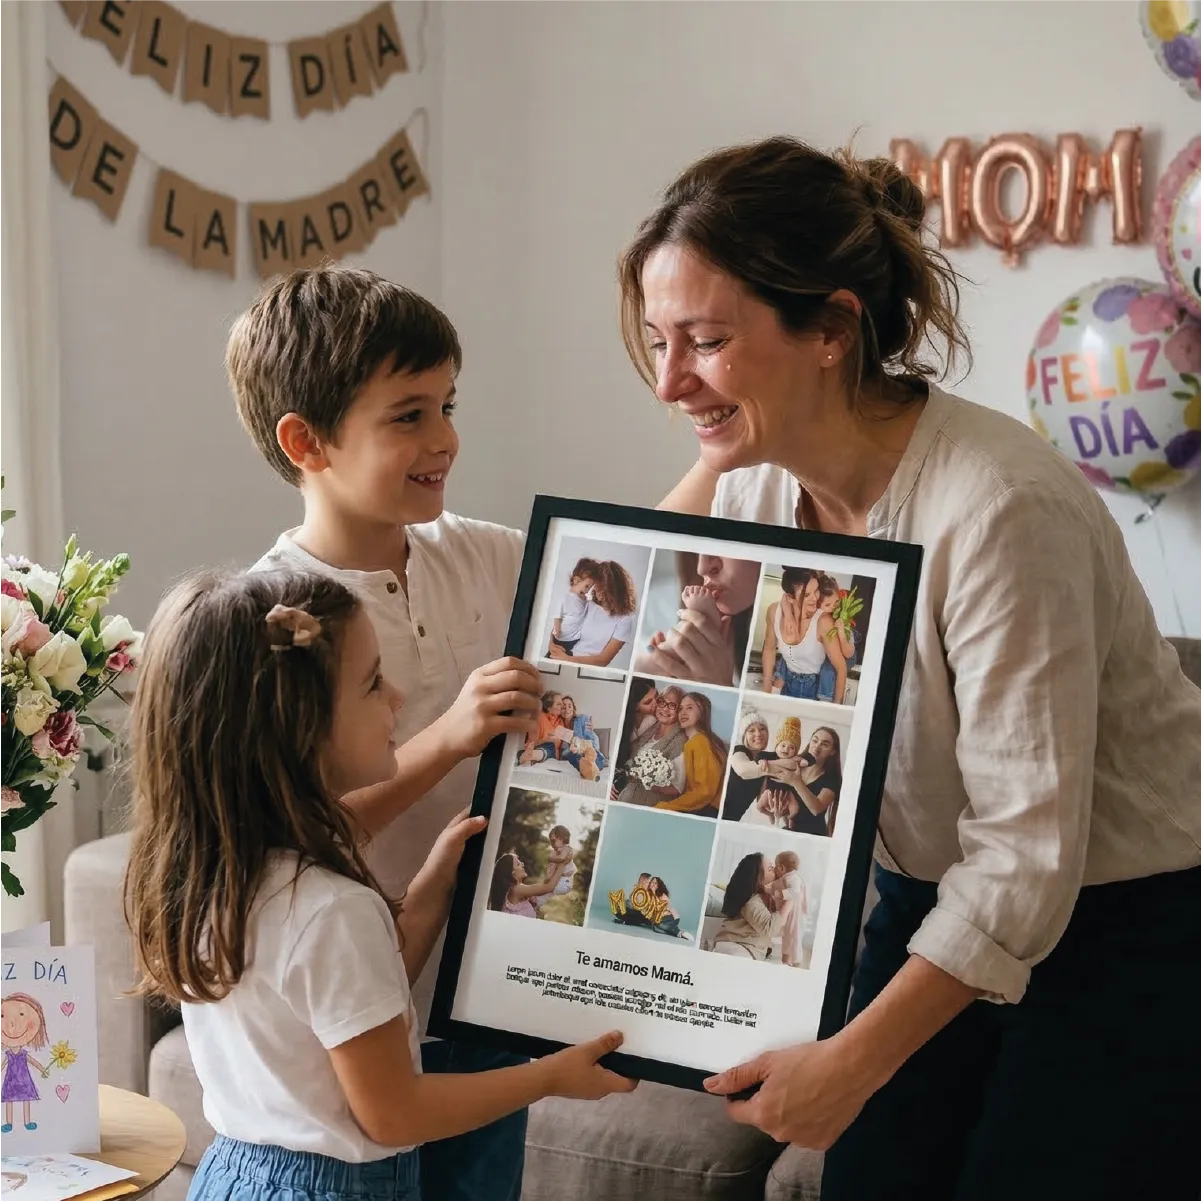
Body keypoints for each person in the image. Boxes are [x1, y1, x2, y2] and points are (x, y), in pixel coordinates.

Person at [624, 135, 1201, 1199]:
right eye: (658, 341)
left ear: (832, 329)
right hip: (926, 889)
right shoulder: (751, 485)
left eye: (703, 340)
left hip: (1129, 918)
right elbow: (652, 635)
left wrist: (850, 1062)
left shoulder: (995, 508)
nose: (670, 381)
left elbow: (1025, 856)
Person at [122, 570, 635, 1201]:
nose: (396, 696)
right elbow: (394, 1112)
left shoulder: (211, 872)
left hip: (233, 1176)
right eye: (371, 683)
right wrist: (552, 1075)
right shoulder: (331, 908)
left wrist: (433, 886)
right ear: (298, 728)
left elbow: (353, 1013)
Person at [229, 265, 545, 1201]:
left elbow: (633, 556)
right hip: (359, 1014)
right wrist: (447, 739)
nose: (445, 438)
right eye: (407, 415)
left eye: (448, 405)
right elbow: (290, 842)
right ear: (306, 440)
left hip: (488, 981)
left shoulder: (485, 554)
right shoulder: (269, 621)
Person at [635, 553, 761, 685]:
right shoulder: (658, 604)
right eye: (697, 551)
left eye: (722, 541)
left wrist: (720, 685)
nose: (701, 569)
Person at [546, 560, 638, 667]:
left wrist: (567, 659)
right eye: (597, 586)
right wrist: (551, 645)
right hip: (558, 656)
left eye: (604, 588)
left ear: (615, 589)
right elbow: (560, 626)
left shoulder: (624, 620)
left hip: (581, 667)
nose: (598, 593)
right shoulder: (587, 604)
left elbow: (603, 660)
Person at [652, 691, 729, 817]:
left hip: (707, 810)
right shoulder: (700, 740)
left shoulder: (699, 741)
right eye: (681, 708)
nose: (683, 713)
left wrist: (666, 807)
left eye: (689, 708)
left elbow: (705, 791)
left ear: (702, 712)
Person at [613, 686, 687, 807]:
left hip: (648, 800)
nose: (664, 709)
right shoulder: (651, 726)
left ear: (680, 710)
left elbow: (677, 788)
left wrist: (648, 782)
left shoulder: (681, 741)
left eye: (672, 705)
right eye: (662, 702)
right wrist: (615, 785)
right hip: (624, 792)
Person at [710, 853, 782, 960]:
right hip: (737, 947)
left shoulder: (765, 897)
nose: (776, 870)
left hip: (737, 945)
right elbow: (769, 927)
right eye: (770, 868)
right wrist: (786, 907)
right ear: (759, 879)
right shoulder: (751, 902)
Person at [721, 711, 778, 822]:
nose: (758, 734)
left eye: (762, 729)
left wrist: (773, 808)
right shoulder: (738, 750)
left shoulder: (764, 760)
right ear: (744, 737)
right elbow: (744, 770)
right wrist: (779, 766)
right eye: (751, 730)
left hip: (732, 821)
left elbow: (761, 798)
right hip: (715, 813)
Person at [488, 851, 567, 918]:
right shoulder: (516, 889)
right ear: (512, 873)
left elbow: (545, 887)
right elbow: (549, 887)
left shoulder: (516, 890)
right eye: (518, 864)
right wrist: (562, 864)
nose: (522, 864)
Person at [550, 559, 600, 656]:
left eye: (590, 588)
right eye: (586, 586)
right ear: (576, 580)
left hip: (575, 638)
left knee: (567, 655)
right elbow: (557, 616)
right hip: (563, 636)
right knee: (555, 653)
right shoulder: (566, 597)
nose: (587, 591)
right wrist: (557, 629)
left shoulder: (583, 599)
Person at [556, 696, 605, 779]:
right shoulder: (558, 726)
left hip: (590, 753)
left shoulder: (583, 719)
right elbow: (563, 753)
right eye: (563, 707)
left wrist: (581, 747)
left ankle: (590, 770)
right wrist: (571, 750)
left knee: (596, 759)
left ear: (573, 708)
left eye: (569, 706)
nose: (567, 710)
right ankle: (591, 772)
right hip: (573, 755)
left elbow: (593, 742)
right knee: (573, 756)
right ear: (560, 710)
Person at [532, 826, 576, 910]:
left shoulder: (566, 848)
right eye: (550, 842)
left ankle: (536, 904)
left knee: (547, 891)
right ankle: (535, 903)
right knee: (545, 889)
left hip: (564, 882)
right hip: (561, 880)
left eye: (553, 841)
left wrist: (550, 859)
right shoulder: (558, 851)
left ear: (563, 838)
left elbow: (562, 859)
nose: (551, 844)